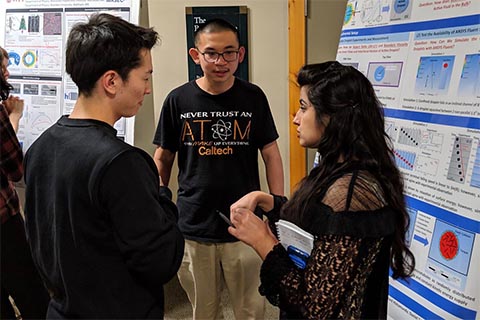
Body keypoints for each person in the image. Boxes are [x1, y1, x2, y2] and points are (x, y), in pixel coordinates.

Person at [23, 13, 184, 319]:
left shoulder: (41, 147)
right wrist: (163, 197)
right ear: (111, 81)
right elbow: (160, 261)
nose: (148, 89)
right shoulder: (122, 163)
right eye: (145, 77)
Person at [228, 61, 416, 319]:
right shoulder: (337, 167)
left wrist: (264, 242)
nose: (295, 118)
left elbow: (314, 307)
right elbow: (319, 225)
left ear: (332, 117)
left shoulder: (351, 193)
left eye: (304, 108)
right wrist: (270, 203)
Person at [153, 18, 284, 319]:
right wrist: (161, 201)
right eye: (211, 53)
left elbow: (271, 153)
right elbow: (163, 157)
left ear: (241, 55)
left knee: (251, 309)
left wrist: (278, 206)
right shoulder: (178, 100)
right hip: (194, 223)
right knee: (203, 311)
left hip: (246, 225)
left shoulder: (253, 97)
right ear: (195, 55)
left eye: (229, 52)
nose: (221, 61)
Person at [0, 46, 50, 320]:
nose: (7, 74)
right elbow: (16, 168)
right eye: (3, 69)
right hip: (4, 223)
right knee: (30, 290)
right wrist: (14, 118)